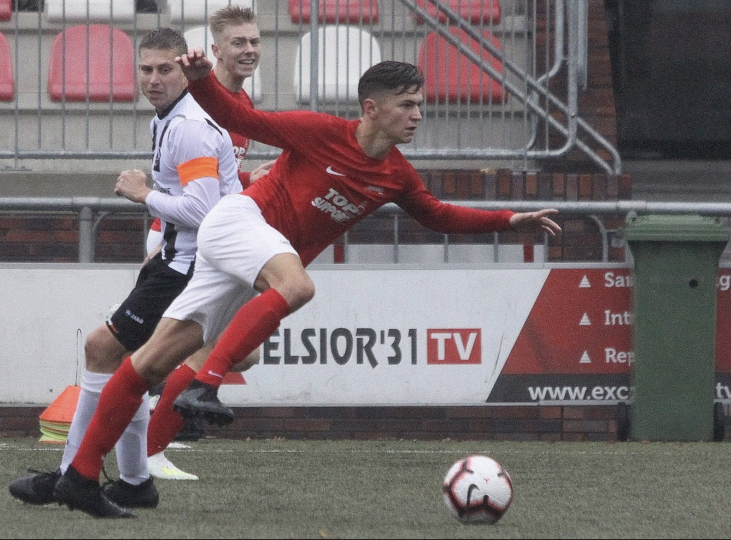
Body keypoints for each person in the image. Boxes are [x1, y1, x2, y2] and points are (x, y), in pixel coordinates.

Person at [49, 54, 562, 519]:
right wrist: (202, 81)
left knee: (150, 363)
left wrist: (508, 220)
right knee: (298, 287)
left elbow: (437, 215)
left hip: (252, 253)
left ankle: (82, 477)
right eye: (407, 105)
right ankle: (207, 384)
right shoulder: (321, 132)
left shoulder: (397, 175)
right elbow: (240, 119)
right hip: (237, 222)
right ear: (371, 108)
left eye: (420, 105)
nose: (418, 115)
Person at [7, 28, 242, 518]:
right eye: (146, 69)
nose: (154, 79)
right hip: (178, 259)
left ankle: (73, 475)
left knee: (102, 349)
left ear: (185, 72)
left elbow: (202, 211)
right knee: (131, 363)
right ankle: (134, 482)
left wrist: (142, 194)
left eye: (166, 69)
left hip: (190, 266)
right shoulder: (169, 120)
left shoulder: (189, 127)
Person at [144, 5, 274, 483]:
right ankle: (156, 425)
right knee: (204, 343)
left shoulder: (241, 104)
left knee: (243, 351)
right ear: (216, 50)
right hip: (183, 236)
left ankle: (157, 410)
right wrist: (160, 241)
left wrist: (247, 179)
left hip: (210, 234)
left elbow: (214, 173)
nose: (249, 50)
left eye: (255, 41)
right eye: (239, 42)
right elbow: (186, 178)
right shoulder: (199, 99)